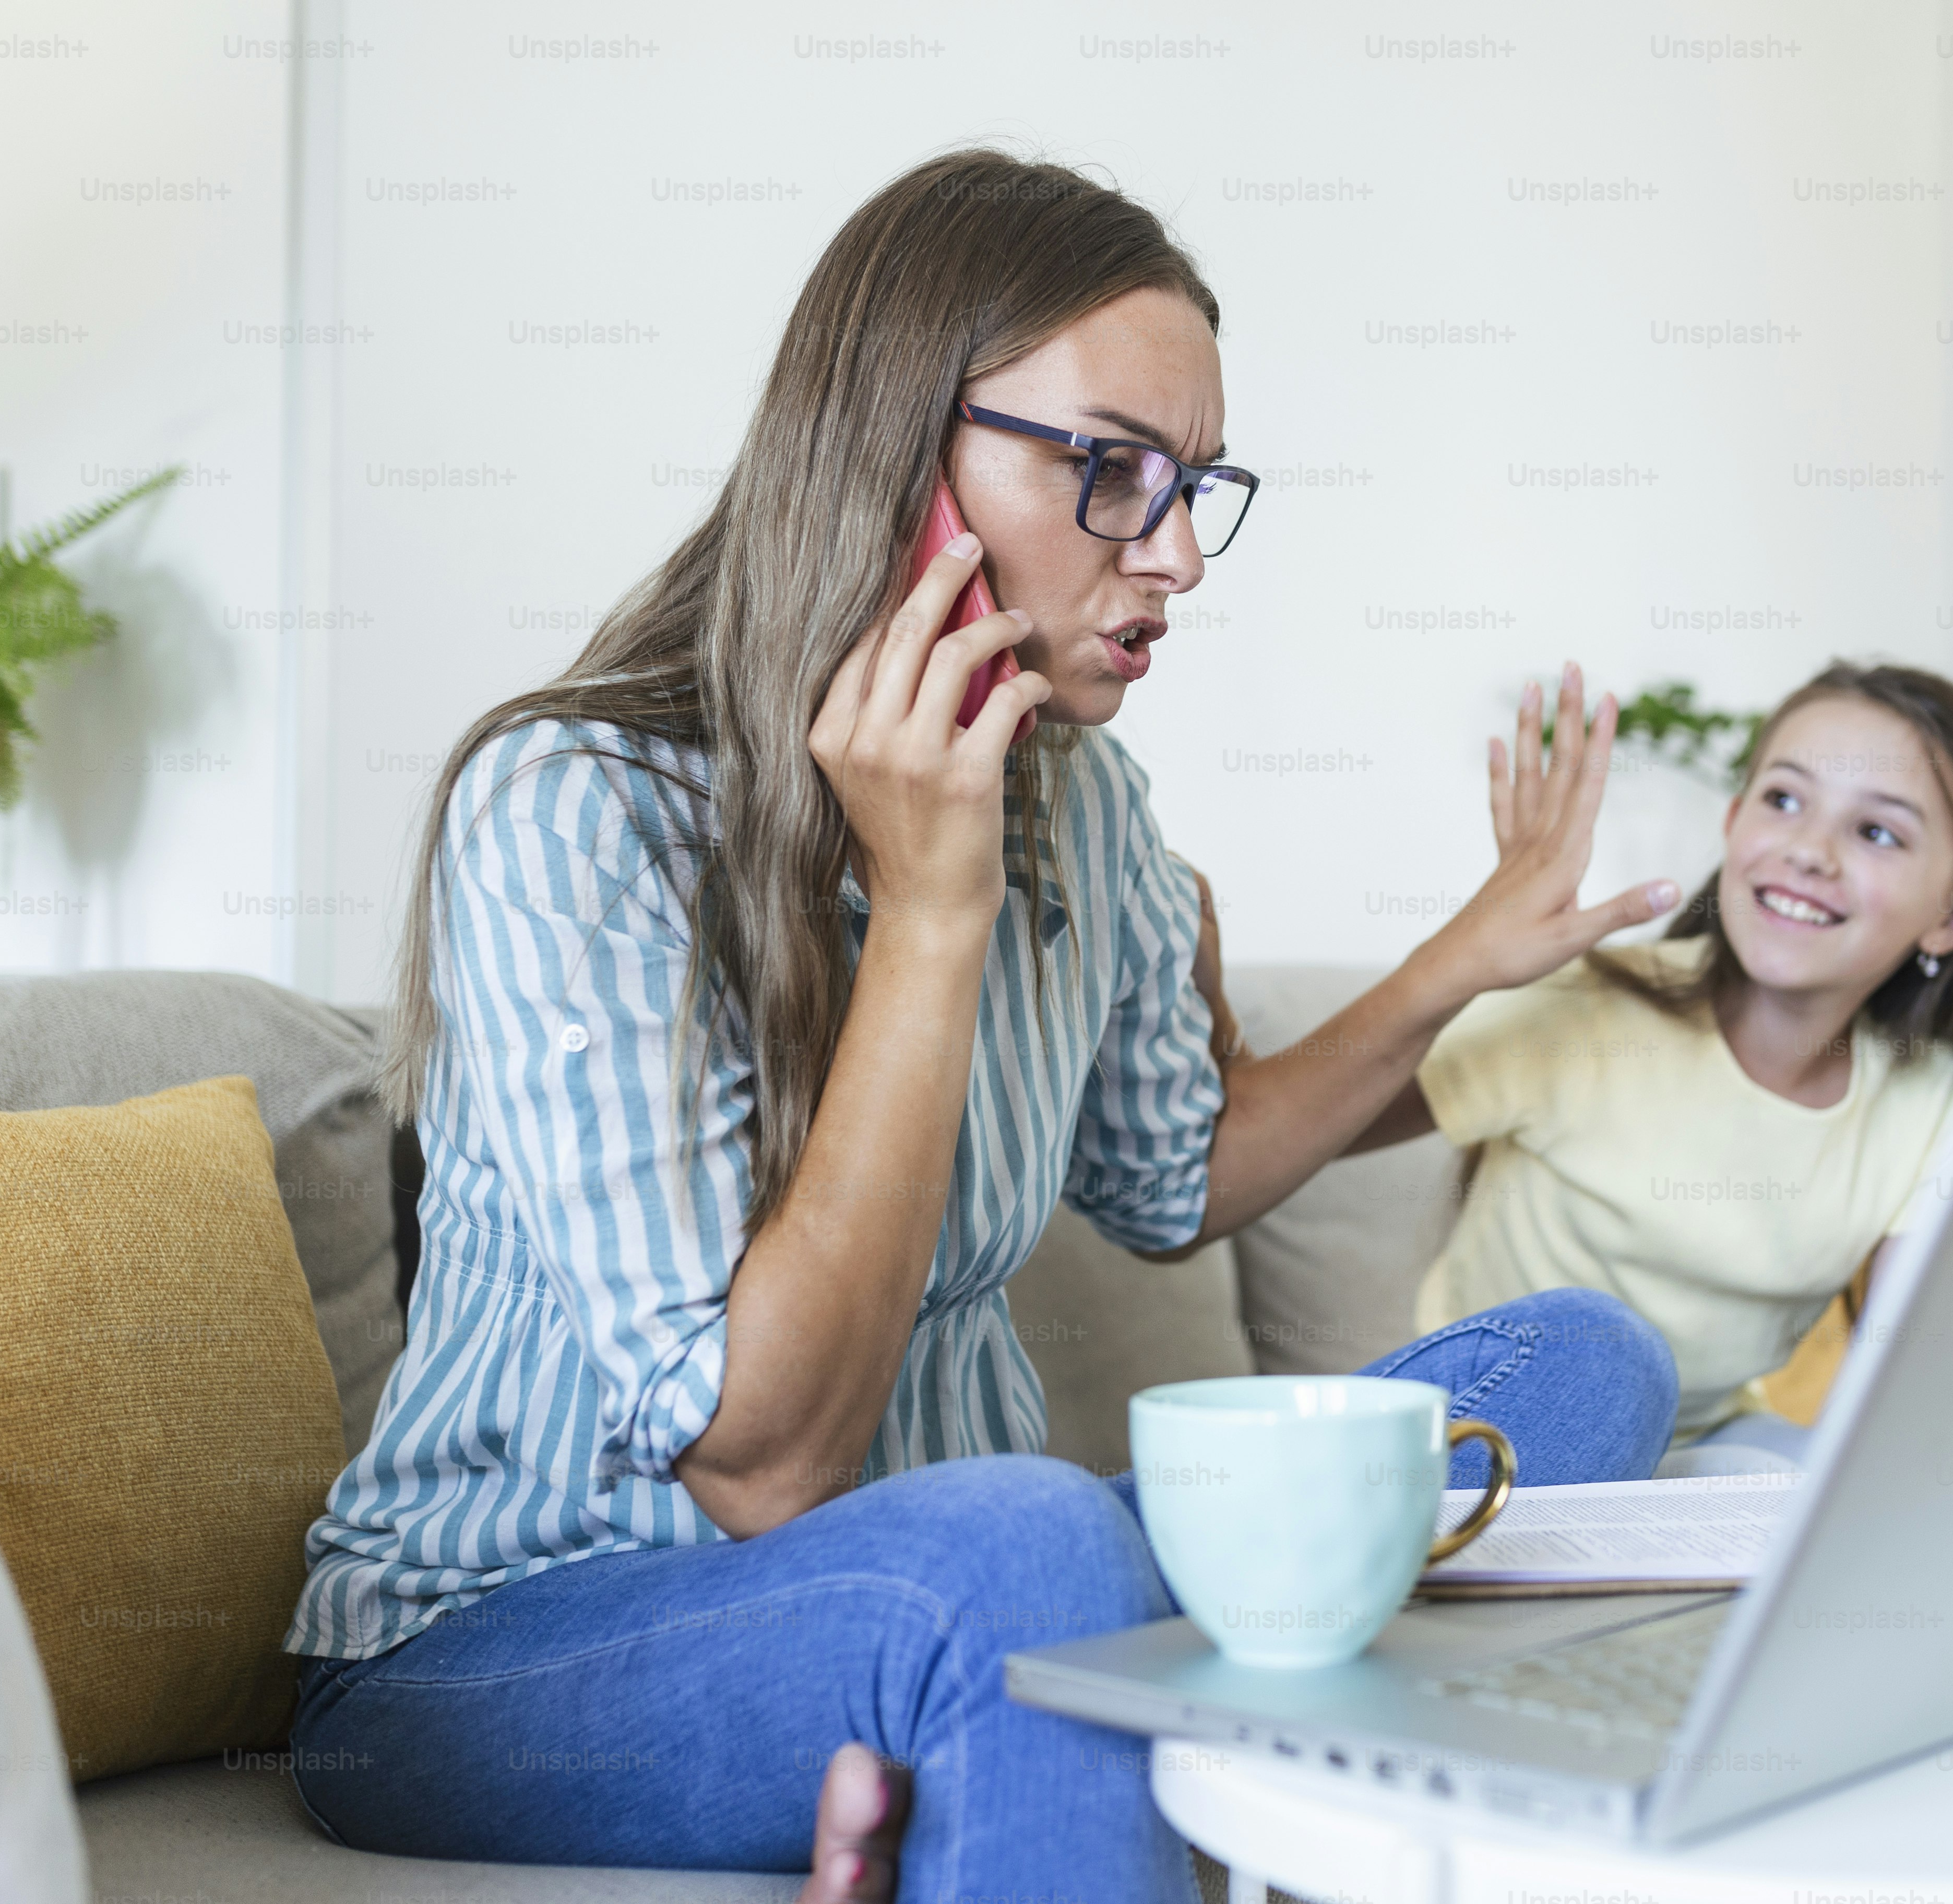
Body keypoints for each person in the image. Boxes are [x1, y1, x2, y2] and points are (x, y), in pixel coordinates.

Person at [280, 149, 1682, 1903]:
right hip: (510, 1636)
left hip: (945, 1582)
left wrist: (1457, 960)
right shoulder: (575, 806)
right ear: (897, 455)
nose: (1177, 554)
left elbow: (1171, 1179)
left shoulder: (1083, 800)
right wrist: (932, 911)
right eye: (1111, 470)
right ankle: (1067, 1712)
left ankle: (1008, 1739)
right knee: (1029, 1541)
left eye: (1197, 486)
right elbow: (767, 1464)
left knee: (1576, 1376)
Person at [1353, 662, 1953, 1461]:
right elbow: (1307, 1128)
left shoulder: (1936, 1100)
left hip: (1693, 1457)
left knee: (1807, 1468)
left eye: (1876, 833)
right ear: (1735, 822)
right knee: (1610, 1353)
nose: (1810, 851)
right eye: (1784, 800)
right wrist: (1458, 962)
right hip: (1486, 1429)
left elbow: (1904, 1384)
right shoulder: (1584, 1006)